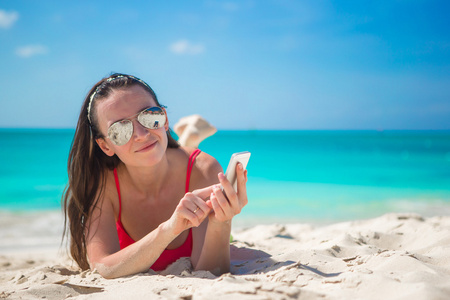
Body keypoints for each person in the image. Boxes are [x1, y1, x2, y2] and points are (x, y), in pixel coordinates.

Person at [62, 73, 248, 279]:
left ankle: (190, 137)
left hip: (183, 166)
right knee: (156, 148)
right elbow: (102, 267)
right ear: (105, 145)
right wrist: (170, 228)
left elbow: (210, 272)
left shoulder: (203, 170)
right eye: (120, 129)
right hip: (168, 163)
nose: (141, 134)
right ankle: (189, 136)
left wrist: (221, 222)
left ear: (165, 119)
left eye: (150, 116)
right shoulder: (103, 183)